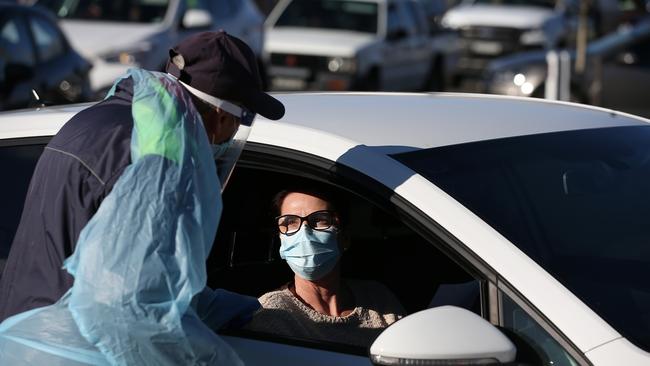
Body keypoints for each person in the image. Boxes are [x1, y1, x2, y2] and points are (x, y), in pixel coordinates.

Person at [0, 31, 284, 365]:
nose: (233, 135)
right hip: (79, 353)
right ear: (223, 116)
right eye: (239, 122)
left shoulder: (97, 121)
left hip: (26, 341)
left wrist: (241, 308)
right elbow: (123, 308)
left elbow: (136, 273)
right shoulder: (160, 160)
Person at [244, 185, 406, 348]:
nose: (304, 233)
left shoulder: (378, 298)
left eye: (320, 220)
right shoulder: (270, 315)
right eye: (290, 222)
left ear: (344, 238)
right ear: (280, 240)